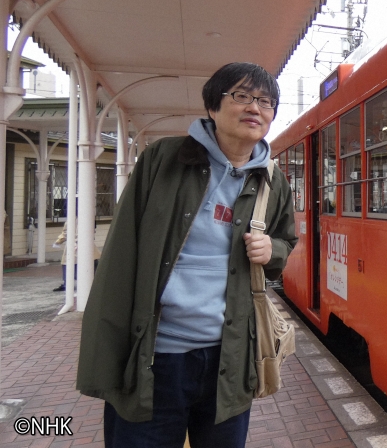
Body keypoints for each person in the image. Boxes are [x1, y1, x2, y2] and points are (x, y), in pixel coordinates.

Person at [76, 63, 298, 448]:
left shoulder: (272, 179)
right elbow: (120, 254)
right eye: (241, 96)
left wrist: (272, 249)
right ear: (213, 106)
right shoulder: (164, 159)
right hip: (154, 357)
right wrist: (106, 356)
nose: (254, 108)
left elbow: (285, 241)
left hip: (228, 361)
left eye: (265, 101)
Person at [52, 225, 101, 292]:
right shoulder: (87, 217)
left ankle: (67, 284)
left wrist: (58, 241)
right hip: (86, 244)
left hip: (75, 246)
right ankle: (93, 283)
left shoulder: (72, 217)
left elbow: (66, 232)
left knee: (69, 265)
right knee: (90, 264)